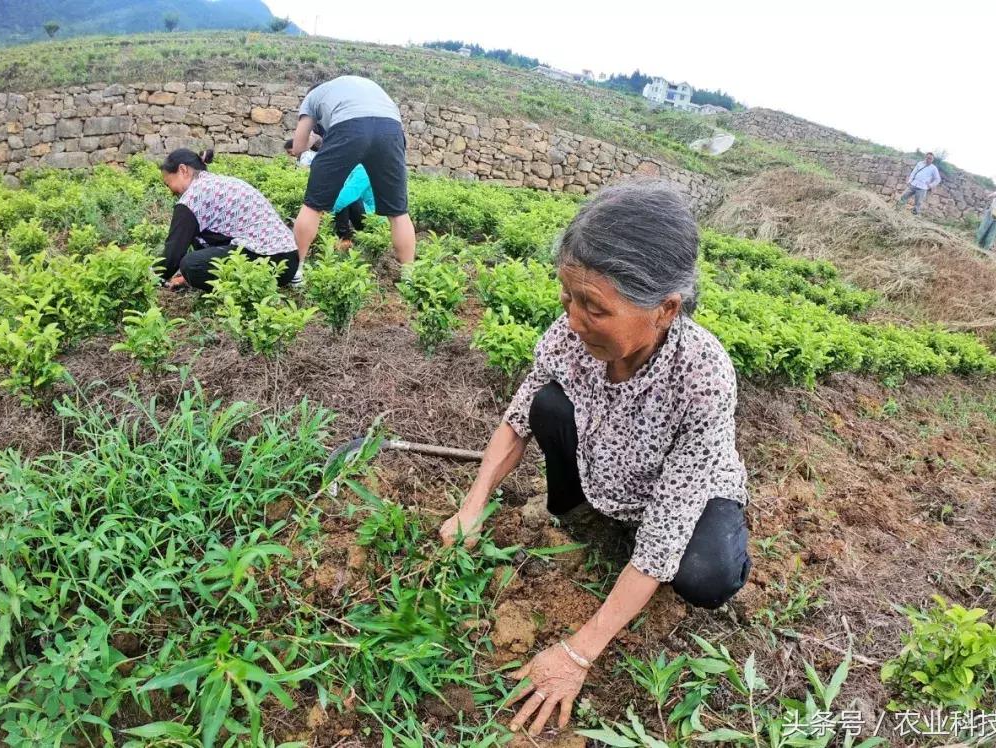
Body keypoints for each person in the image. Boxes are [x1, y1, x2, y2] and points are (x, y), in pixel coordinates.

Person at [438, 182, 751, 737]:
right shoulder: (570, 334)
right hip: (607, 465)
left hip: (679, 494)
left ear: (666, 309)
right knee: (547, 404)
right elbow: (518, 416)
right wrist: (473, 504)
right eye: (569, 300)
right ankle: (586, 515)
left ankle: (647, 545)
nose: (575, 321)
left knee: (705, 575)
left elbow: (665, 530)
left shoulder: (703, 377)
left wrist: (578, 654)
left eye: (595, 308)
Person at [287, 75, 416, 284]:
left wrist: (309, 141)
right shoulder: (360, 86)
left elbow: (299, 146)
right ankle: (409, 279)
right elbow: (377, 123)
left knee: (313, 206)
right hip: (391, 129)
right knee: (398, 212)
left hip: (348, 127)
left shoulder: (312, 98)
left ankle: (295, 271)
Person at [159, 148, 300, 291]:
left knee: (191, 265)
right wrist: (185, 278)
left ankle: (236, 295)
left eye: (168, 183)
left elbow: (173, 253)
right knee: (197, 241)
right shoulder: (218, 182)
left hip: (269, 259)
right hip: (288, 261)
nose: (170, 191)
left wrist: (149, 278)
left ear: (183, 170)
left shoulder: (194, 196)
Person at [284, 139, 374, 249]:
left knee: (343, 198)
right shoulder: (353, 168)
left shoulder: (364, 170)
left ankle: (345, 238)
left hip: (373, 218)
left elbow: (346, 196)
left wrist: (321, 214)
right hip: (362, 212)